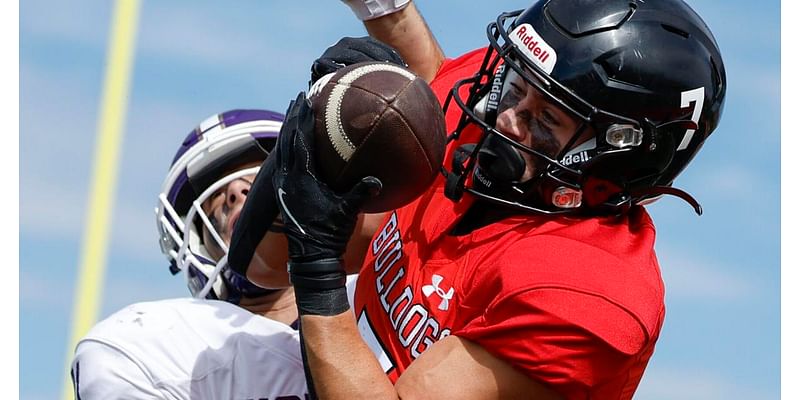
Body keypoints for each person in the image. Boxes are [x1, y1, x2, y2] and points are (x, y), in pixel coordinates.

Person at [230, 0, 727, 398]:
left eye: (547, 120)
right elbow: (260, 270)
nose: (508, 119)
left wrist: (317, 267)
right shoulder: (498, 130)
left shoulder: (587, 294)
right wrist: (330, 117)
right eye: (516, 88)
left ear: (617, 158)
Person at [69, 109, 361, 399]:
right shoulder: (178, 345)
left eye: (258, 176)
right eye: (214, 196)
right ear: (197, 246)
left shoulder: (371, 285)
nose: (235, 191)